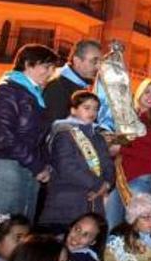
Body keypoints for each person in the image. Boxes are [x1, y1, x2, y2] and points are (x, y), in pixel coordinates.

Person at [0, 44, 57, 235]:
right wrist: (37, 166)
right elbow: (3, 136)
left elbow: (36, 138)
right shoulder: (6, 91)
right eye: (46, 67)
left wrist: (42, 165)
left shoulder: (33, 95)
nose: (50, 73)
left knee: (14, 236)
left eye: (52, 68)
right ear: (28, 64)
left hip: (22, 168)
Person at [38, 91, 115, 234]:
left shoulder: (98, 137)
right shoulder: (64, 133)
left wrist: (107, 183)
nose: (92, 112)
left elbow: (108, 164)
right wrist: (98, 184)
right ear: (73, 109)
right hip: (66, 201)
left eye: (95, 109)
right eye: (87, 107)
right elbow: (67, 167)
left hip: (94, 203)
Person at [104, 78, 151, 229]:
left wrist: (121, 148)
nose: (150, 96)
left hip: (140, 178)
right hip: (119, 178)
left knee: (135, 228)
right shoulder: (129, 116)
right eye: (147, 91)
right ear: (140, 93)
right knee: (110, 225)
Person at [42, 40, 101, 123]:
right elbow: (56, 128)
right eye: (94, 61)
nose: (98, 67)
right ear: (77, 61)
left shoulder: (87, 85)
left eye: (100, 62)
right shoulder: (57, 88)